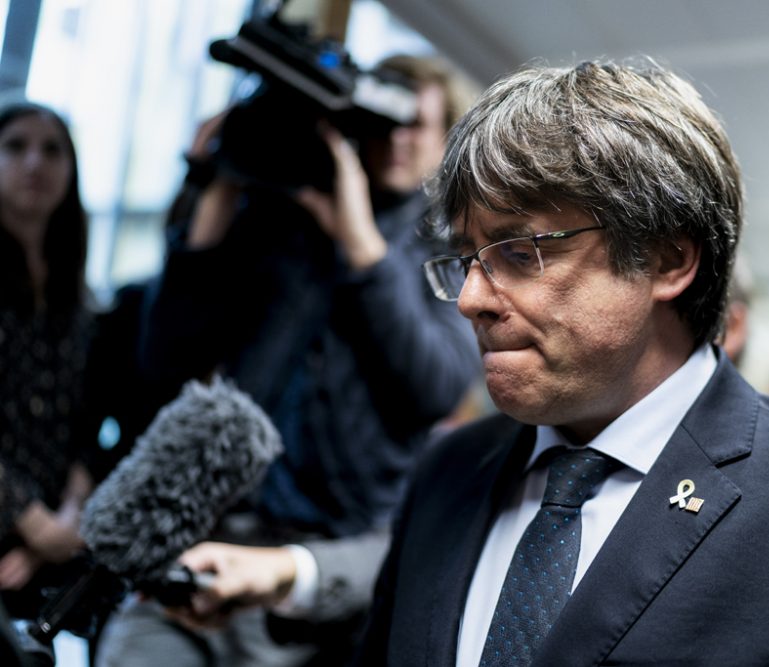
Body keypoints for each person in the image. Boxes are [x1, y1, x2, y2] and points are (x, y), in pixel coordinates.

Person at [355, 59, 769, 666]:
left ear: (666, 260)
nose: (471, 300)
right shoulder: (444, 475)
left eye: (521, 252)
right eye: (468, 258)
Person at [95, 55, 481, 666]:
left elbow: (436, 386)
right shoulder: (283, 223)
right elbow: (166, 352)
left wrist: (359, 244)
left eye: (416, 124)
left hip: (323, 570)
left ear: (446, 141)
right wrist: (221, 185)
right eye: (383, 121)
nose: (396, 139)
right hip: (213, 532)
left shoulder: (451, 253)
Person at [0, 101, 101, 620]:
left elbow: (89, 424)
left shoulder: (82, 302)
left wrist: (64, 523)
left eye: (52, 150)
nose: (34, 163)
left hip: (58, 541)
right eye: (15, 146)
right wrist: (32, 525)